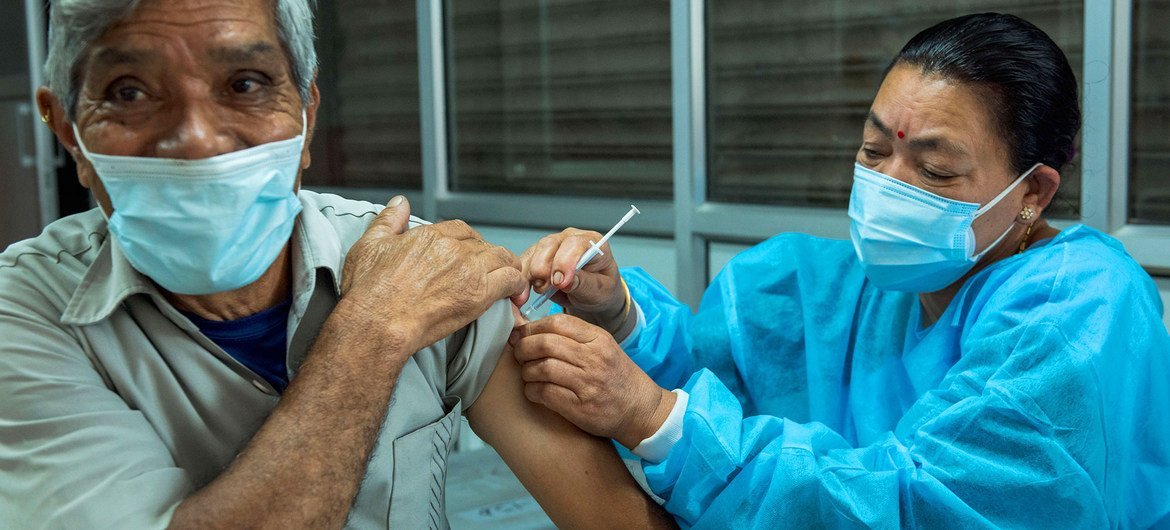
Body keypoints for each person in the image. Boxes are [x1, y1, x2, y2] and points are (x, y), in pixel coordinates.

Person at [0, 1, 674, 528]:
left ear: (306, 118)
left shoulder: (423, 267)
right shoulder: (24, 316)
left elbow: (611, 517)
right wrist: (376, 328)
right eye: (127, 91)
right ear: (69, 133)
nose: (197, 141)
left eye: (245, 82)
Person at [512, 12, 1170, 528]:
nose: (887, 186)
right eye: (873, 148)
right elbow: (715, 379)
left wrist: (653, 419)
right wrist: (619, 314)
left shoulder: (1079, 314)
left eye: (936, 171)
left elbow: (911, 507)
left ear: (1033, 193)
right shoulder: (836, 289)